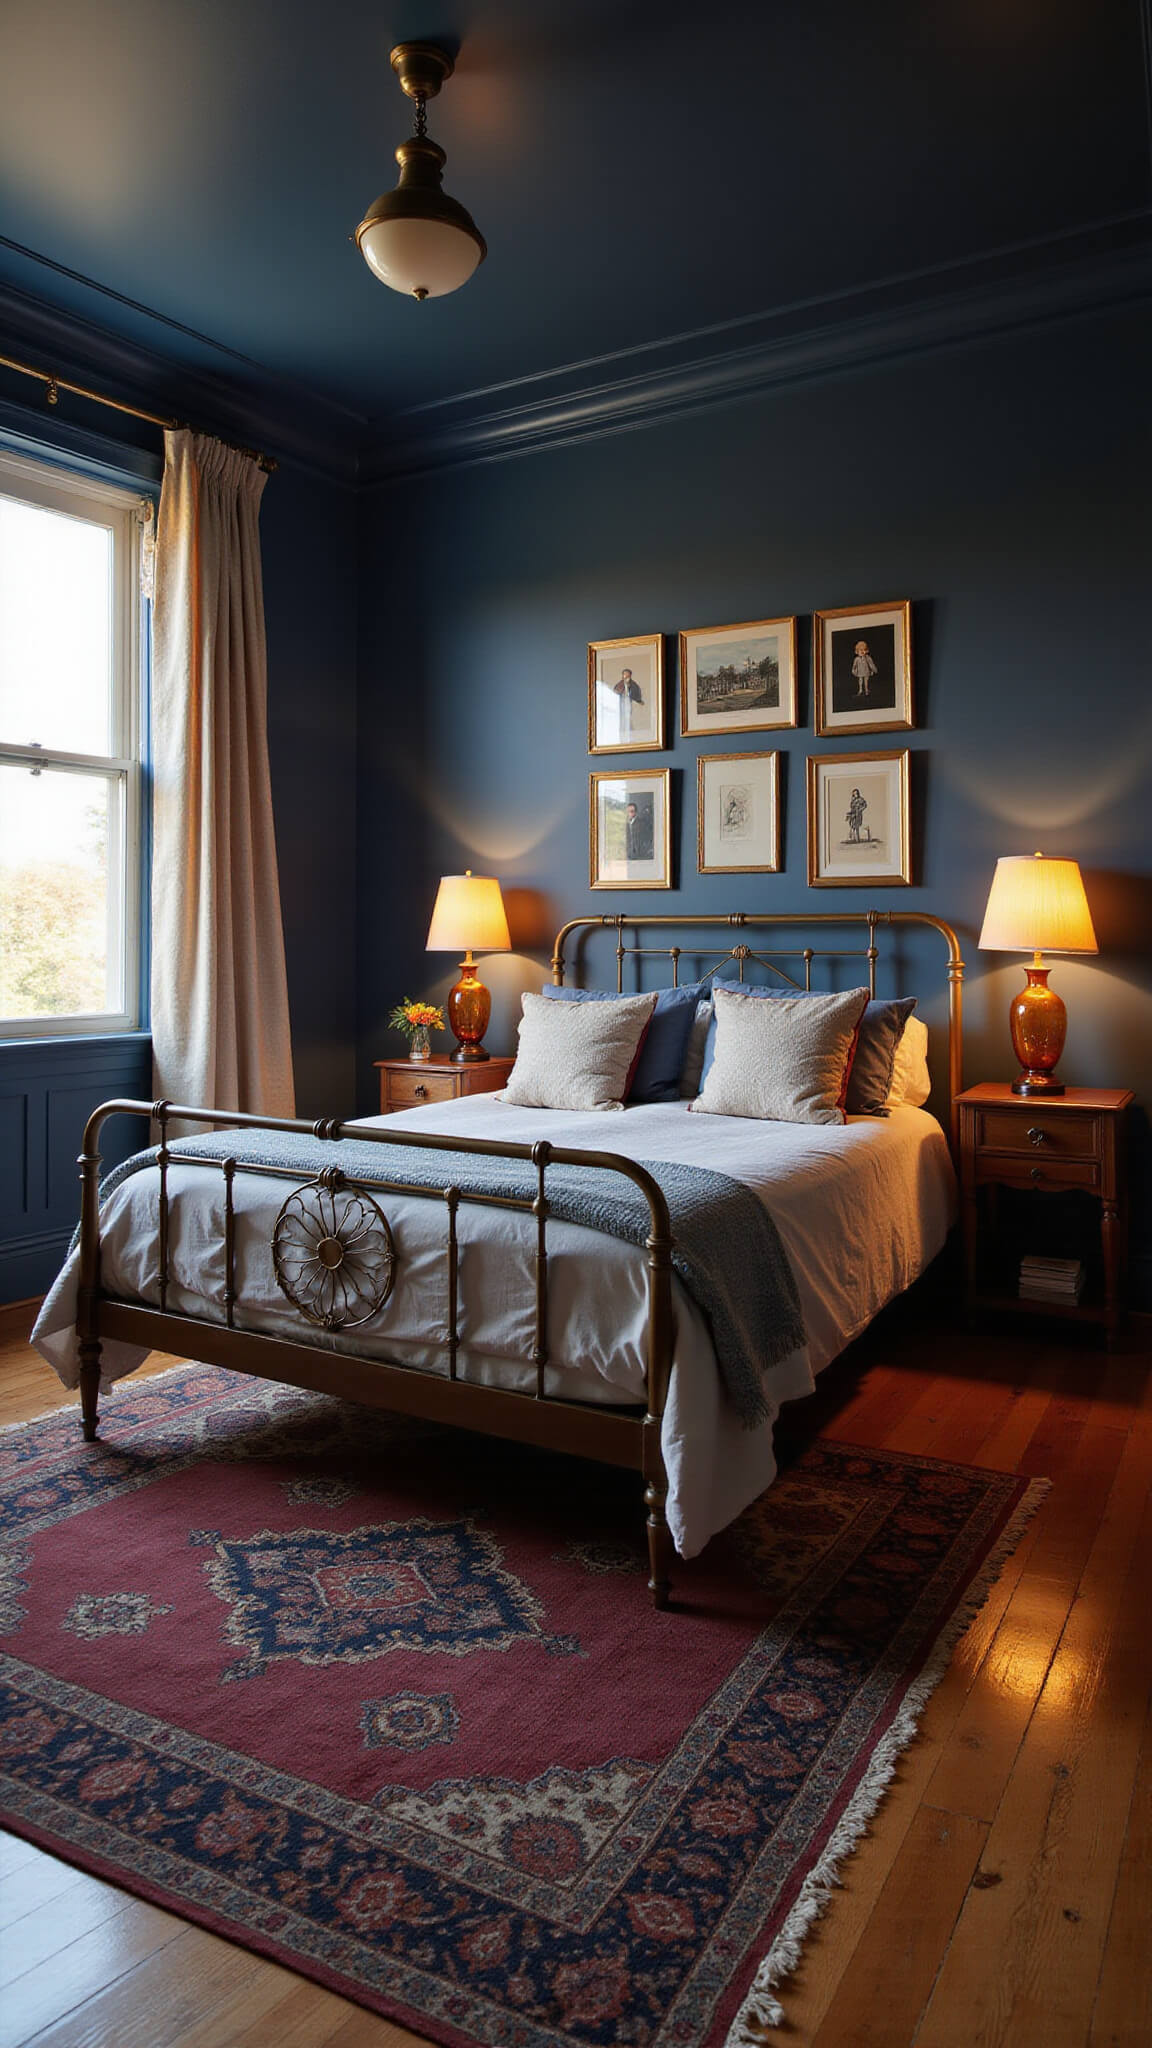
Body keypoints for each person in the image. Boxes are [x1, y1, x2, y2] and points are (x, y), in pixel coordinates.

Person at [612, 665, 644, 738]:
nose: (626, 676)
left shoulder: (633, 684)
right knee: (622, 716)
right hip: (621, 701)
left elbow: (636, 692)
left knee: (628, 716)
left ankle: (630, 731)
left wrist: (638, 700)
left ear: (630, 675)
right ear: (622, 675)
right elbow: (615, 691)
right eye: (624, 674)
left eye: (627, 674)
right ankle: (622, 731)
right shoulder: (620, 684)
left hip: (628, 701)